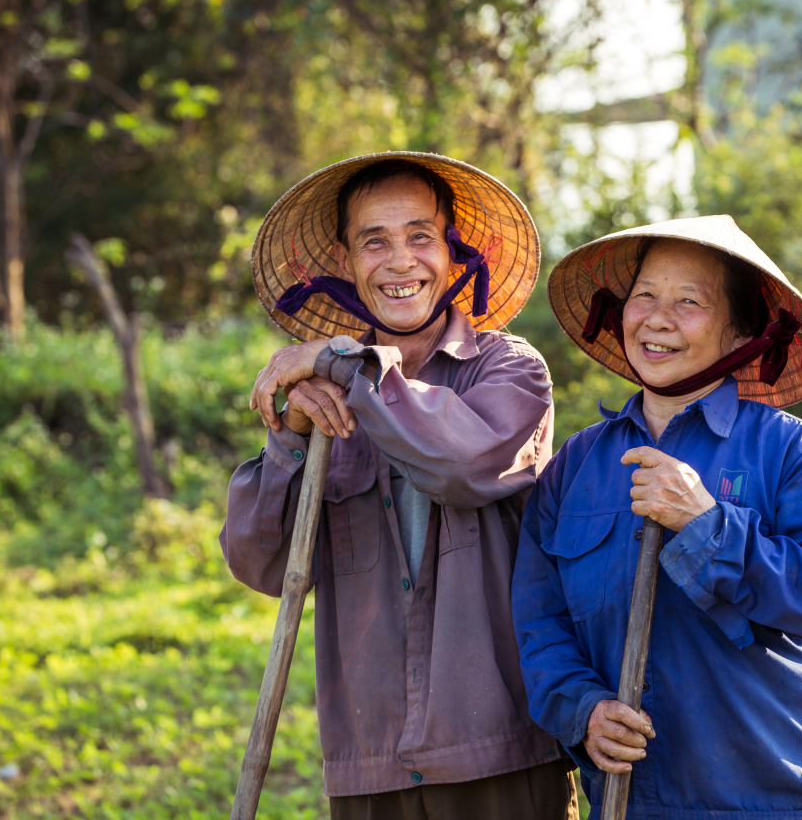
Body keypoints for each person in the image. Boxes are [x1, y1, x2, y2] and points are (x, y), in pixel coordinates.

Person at [222, 153, 577, 819]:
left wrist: (342, 364)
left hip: (499, 749)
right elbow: (259, 562)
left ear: (453, 253)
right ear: (345, 259)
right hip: (370, 757)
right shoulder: (323, 395)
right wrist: (293, 434)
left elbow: (462, 466)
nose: (400, 261)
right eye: (374, 241)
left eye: (420, 237)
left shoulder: (509, 370)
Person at [512, 216, 802, 819]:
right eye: (644, 295)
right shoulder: (578, 464)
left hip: (767, 791)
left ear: (738, 335)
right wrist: (584, 711)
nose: (657, 318)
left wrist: (708, 524)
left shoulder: (788, 450)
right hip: (631, 799)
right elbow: (539, 620)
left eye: (689, 302)